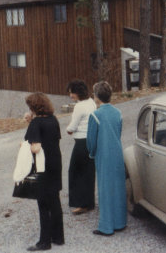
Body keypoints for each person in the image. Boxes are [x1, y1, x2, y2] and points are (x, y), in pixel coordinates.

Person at [24, 92, 64, 251]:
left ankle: (44, 242)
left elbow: (36, 147)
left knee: (43, 204)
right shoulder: (53, 119)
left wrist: (25, 147)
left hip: (42, 167)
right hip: (55, 162)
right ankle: (58, 237)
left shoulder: (36, 123)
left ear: (33, 107)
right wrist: (31, 121)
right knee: (54, 201)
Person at [86, 81, 127, 236]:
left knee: (105, 188)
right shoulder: (118, 113)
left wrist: (92, 153)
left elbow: (91, 141)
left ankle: (107, 226)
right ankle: (120, 222)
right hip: (117, 152)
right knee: (118, 186)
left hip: (103, 154)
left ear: (96, 97)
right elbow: (119, 132)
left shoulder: (95, 115)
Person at [66, 80, 97, 215]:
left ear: (77, 93)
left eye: (71, 92)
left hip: (81, 142)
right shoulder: (91, 102)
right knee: (88, 172)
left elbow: (72, 127)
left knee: (75, 172)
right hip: (90, 140)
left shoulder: (79, 107)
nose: (70, 95)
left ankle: (81, 203)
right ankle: (89, 202)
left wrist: (68, 129)